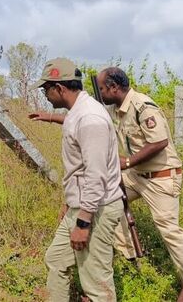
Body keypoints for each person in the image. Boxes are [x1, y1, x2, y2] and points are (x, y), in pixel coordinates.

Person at [31, 67, 183, 282]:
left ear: (114, 87)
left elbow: (160, 141)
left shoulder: (142, 106)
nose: (98, 95)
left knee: (170, 232)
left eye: (101, 89)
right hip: (136, 175)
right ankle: (129, 255)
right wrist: (51, 117)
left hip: (160, 177)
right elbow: (84, 119)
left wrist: (127, 162)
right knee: (109, 203)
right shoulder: (113, 109)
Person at [32, 58, 124, 301]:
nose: (45, 95)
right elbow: (80, 171)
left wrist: (83, 223)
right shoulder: (79, 112)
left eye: (46, 89)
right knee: (56, 260)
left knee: (96, 283)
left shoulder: (90, 118)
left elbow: (96, 174)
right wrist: (70, 204)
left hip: (96, 210)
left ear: (59, 88)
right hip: (82, 206)